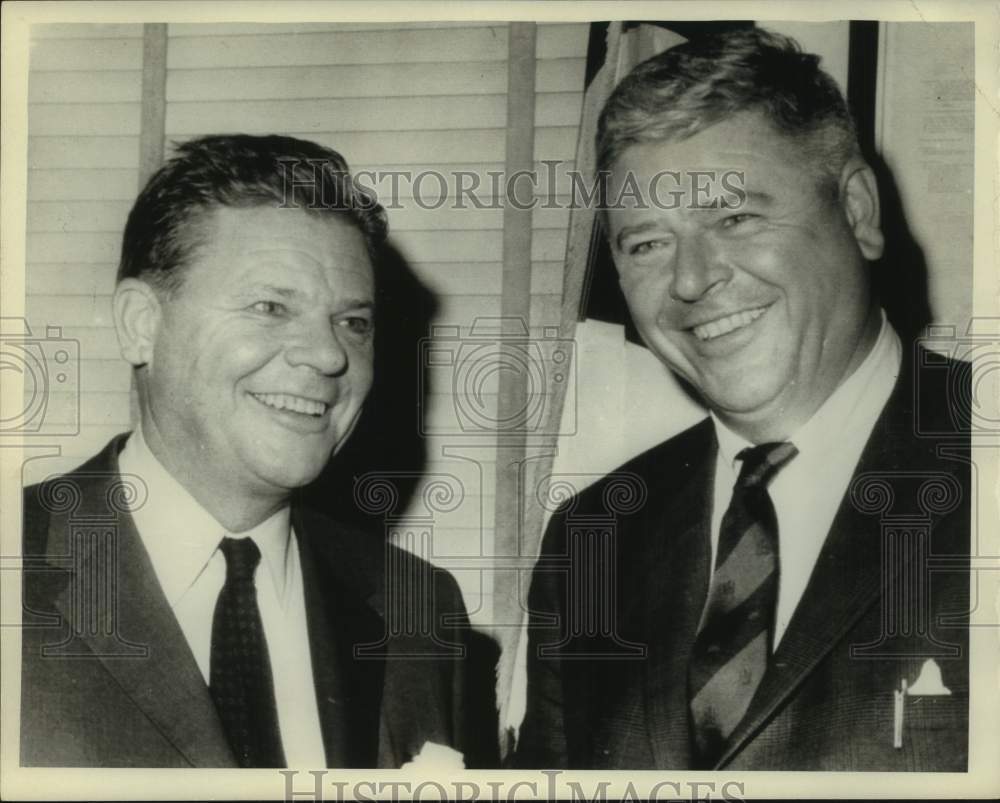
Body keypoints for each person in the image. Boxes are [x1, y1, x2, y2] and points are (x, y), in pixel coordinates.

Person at [516, 28, 970, 771]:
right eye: (646, 244)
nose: (691, 281)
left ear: (857, 209)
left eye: (734, 218)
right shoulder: (590, 538)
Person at [21, 134, 497, 768]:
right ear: (142, 323)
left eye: (353, 321)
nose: (330, 356)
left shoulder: (421, 609)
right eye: (271, 307)